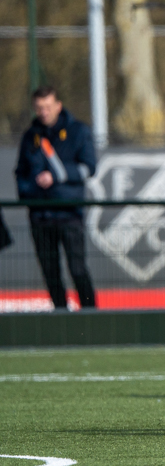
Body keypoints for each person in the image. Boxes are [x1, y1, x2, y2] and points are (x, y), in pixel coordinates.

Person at [15, 86, 97, 309]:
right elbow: (21, 172)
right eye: (39, 108)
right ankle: (61, 316)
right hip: (40, 216)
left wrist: (57, 176)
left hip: (69, 213)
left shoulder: (78, 131)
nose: (44, 112)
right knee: (50, 272)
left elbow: (90, 167)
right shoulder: (30, 136)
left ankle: (91, 313)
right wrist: (29, 192)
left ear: (58, 106)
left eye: (48, 107)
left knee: (77, 269)